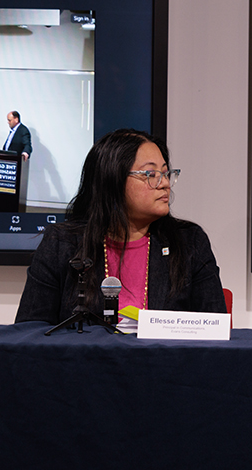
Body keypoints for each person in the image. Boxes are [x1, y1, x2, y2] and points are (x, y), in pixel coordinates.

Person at [15, 129, 225, 324]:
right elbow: (29, 331)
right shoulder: (62, 244)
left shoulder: (189, 242)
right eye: (151, 174)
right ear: (112, 180)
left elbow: (215, 331)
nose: (165, 184)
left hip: (165, 363)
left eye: (166, 173)